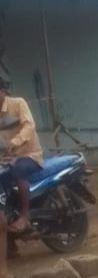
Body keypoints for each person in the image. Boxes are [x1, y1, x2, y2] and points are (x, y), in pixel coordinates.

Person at [0, 76, 42, 235]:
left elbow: (29, 126)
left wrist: (14, 142)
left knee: (18, 169)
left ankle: (25, 216)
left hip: (30, 155)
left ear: (3, 91)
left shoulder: (18, 104)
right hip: (6, 159)